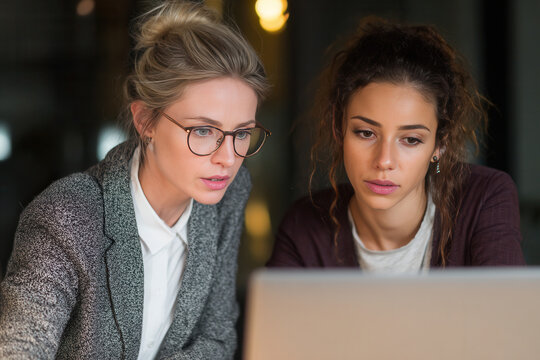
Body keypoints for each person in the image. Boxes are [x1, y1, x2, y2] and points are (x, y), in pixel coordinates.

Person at [0, 1, 269, 359]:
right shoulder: (66, 215)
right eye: (204, 130)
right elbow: (19, 350)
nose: (228, 157)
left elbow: (217, 340)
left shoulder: (228, 194)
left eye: (242, 133)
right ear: (145, 121)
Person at [267, 19, 525, 270]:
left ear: (439, 144)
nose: (384, 161)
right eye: (366, 133)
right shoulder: (304, 227)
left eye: (411, 140)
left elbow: (506, 312)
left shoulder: (483, 199)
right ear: (338, 128)